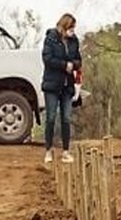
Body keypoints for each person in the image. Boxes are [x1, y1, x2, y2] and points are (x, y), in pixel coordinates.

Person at [41, 13, 82, 164]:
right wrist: (64, 65)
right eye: (70, 28)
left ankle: (66, 150)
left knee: (66, 118)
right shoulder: (50, 38)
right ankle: (48, 150)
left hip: (67, 85)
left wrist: (74, 65)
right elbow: (47, 59)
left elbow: (78, 59)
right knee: (51, 117)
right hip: (52, 84)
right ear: (63, 27)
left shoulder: (74, 41)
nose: (72, 31)